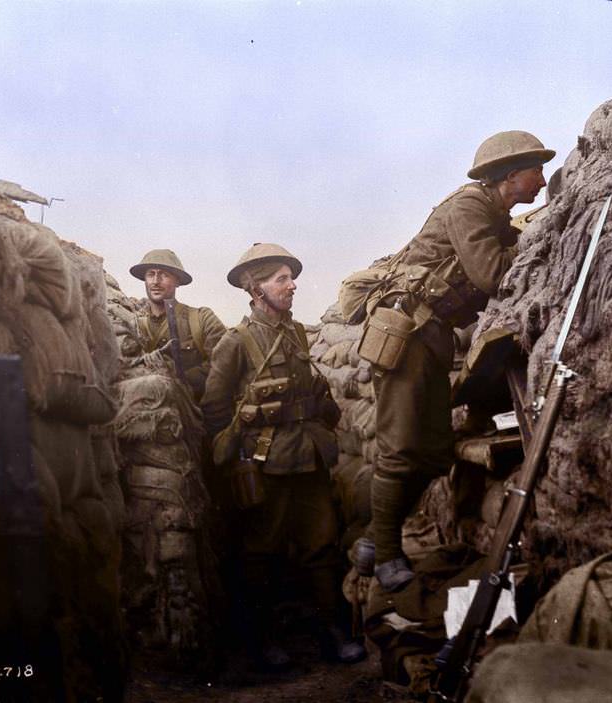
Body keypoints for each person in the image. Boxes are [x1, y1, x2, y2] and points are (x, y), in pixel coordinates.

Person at [357, 130, 555, 592]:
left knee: (432, 452)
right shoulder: (469, 207)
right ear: (510, 175)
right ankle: (384, 553)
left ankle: (373, 539)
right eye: (536, 171)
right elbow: (491, 274)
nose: (542, 182)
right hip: (407, 335)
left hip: (429, 336)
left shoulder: (492, 212)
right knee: (402, 447)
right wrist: (537, 238)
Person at [201, 243, 366, 668]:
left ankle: (332, 632)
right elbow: (216, 410)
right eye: (281, 279)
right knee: (261, 552)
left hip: (308, 456)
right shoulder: (235, 343)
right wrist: (236, 465)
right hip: (265, 461)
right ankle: (263, 640)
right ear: (255, 289)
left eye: (291, 278)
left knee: (321, 544)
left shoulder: (295, 333)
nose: (292, 286)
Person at [129, 249, 226, 402]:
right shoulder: (132, 325)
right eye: (151, 274)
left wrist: (177, 380)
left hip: (196, 414)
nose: (155, 281)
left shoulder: (202, 319)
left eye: (164, 274)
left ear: (178, 281)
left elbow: (223, 364)